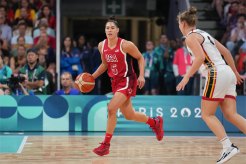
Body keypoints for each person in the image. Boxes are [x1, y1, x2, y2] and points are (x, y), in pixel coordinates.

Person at [176, 7, 246, 164]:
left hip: (215, 73)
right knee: (230, 114)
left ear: (183, 23)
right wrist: (234, 72)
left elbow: (200, 58)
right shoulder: (204, 33)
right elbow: (227, 52)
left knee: (206, 114)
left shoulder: (190, 37)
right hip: (226, 71)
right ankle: (228, 146)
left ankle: (228, 147)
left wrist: (187, 76)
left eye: (179, 24)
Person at [91, 16, 164, 156]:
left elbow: (140, 58)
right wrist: (92, 77)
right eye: (107, 28)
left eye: (112, 28)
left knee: (111, 108)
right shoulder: (102, 46)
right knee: (129, 115)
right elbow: (105, 64)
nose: (109, 30)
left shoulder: (125, 45)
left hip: (127, 80)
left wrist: (141, 75)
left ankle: (105, 145)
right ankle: (155, 122)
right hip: (115, 82)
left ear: (117, 30)